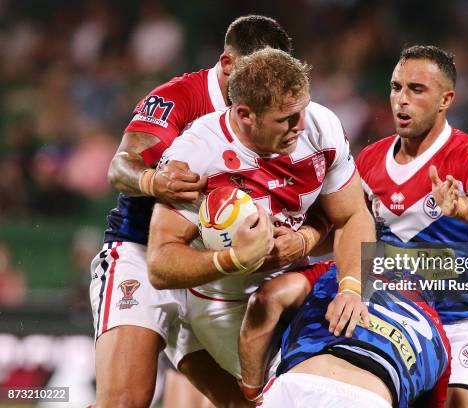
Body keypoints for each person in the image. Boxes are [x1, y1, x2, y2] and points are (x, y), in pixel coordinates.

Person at [89, 15, 327, 408]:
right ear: (229, 65)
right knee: (124, 401)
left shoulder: (286, 119)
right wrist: (153, 181)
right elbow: (120, 165)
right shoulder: (180, 98)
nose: (270, 85)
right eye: (259, 74)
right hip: (143, 252)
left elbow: (334, 209)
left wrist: (304, 238)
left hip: (223, 277)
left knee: (249, 403)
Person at [146, 47, 375, 390]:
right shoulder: (196, 154)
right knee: (290, 392)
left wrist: (348, 286)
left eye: (303, 110)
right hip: (225, 302)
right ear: (245, 114)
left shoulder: (321, 126)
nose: (300, 126)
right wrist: (234, 259)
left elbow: (353, 214)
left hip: (297, 280)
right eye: (285, 119)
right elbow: (159, 264)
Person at [356, 45, 468, 407]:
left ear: (446, 99)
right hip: (398, 320)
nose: (401, 100)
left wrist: (462, 206)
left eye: (416, 89)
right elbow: (347, 228)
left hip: (463, 322)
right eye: (396, 87)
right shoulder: (369, 160)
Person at [248, 262, 451, 408]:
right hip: (371, 400)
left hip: (300, 382)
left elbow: (268, 297)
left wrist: (251, 388)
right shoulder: (440, 338)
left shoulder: (339, 270)